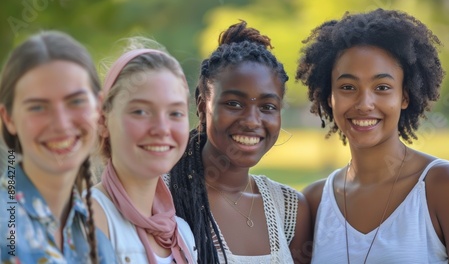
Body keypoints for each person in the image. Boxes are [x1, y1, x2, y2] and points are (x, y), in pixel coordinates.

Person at [296, 8, 449, 263]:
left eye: (382, 87)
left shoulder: (448, 187)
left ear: (404, 96)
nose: (365, 103)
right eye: (347, 87)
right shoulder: (314, 201)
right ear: (329, 97)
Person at [167, 20, 312, 264]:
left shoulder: (290, 209)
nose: (252, 121)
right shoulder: (161, 194)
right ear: (203, 105)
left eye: (267, 107)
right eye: (234, 104)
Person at [0, 31, 116, 263]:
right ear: (9, 119)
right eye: (37, 107)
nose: (61, 124)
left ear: (99, 108)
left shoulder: (97, 241)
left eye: (75, 101)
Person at [91, 38, 197, 264]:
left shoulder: (183, 235)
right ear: (103, 121)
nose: (161, 129)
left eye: (175, 113)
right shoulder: (88, 221)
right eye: (140, 111)